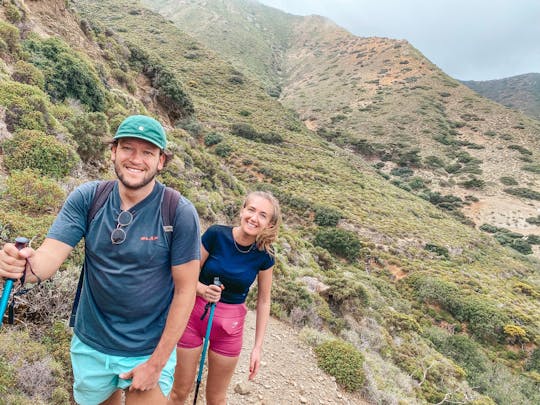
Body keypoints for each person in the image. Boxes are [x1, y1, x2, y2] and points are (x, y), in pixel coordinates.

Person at [0, 115, 201, 405]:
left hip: (147, 348)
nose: (136, 159)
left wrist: (156, 363)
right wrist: (21, 266)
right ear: (113, 152)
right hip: (91, 345)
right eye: (127, 148)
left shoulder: (178, 212)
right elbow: (45, 260)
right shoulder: (88, 198)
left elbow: (185, 291)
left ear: (161, 161)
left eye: (147, 152)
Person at [168, 191, 282, 405]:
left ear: (269, 224)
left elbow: (264, 301)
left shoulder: (265, 255)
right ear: (242, 210)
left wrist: (257, 347)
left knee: (216, 398)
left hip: (230, 328)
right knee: (179, 392)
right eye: (251, 210)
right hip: (192, 316)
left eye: (263, 215)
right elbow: (186, 274)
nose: (254, 218)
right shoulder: (215, 235)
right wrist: (202, 289)